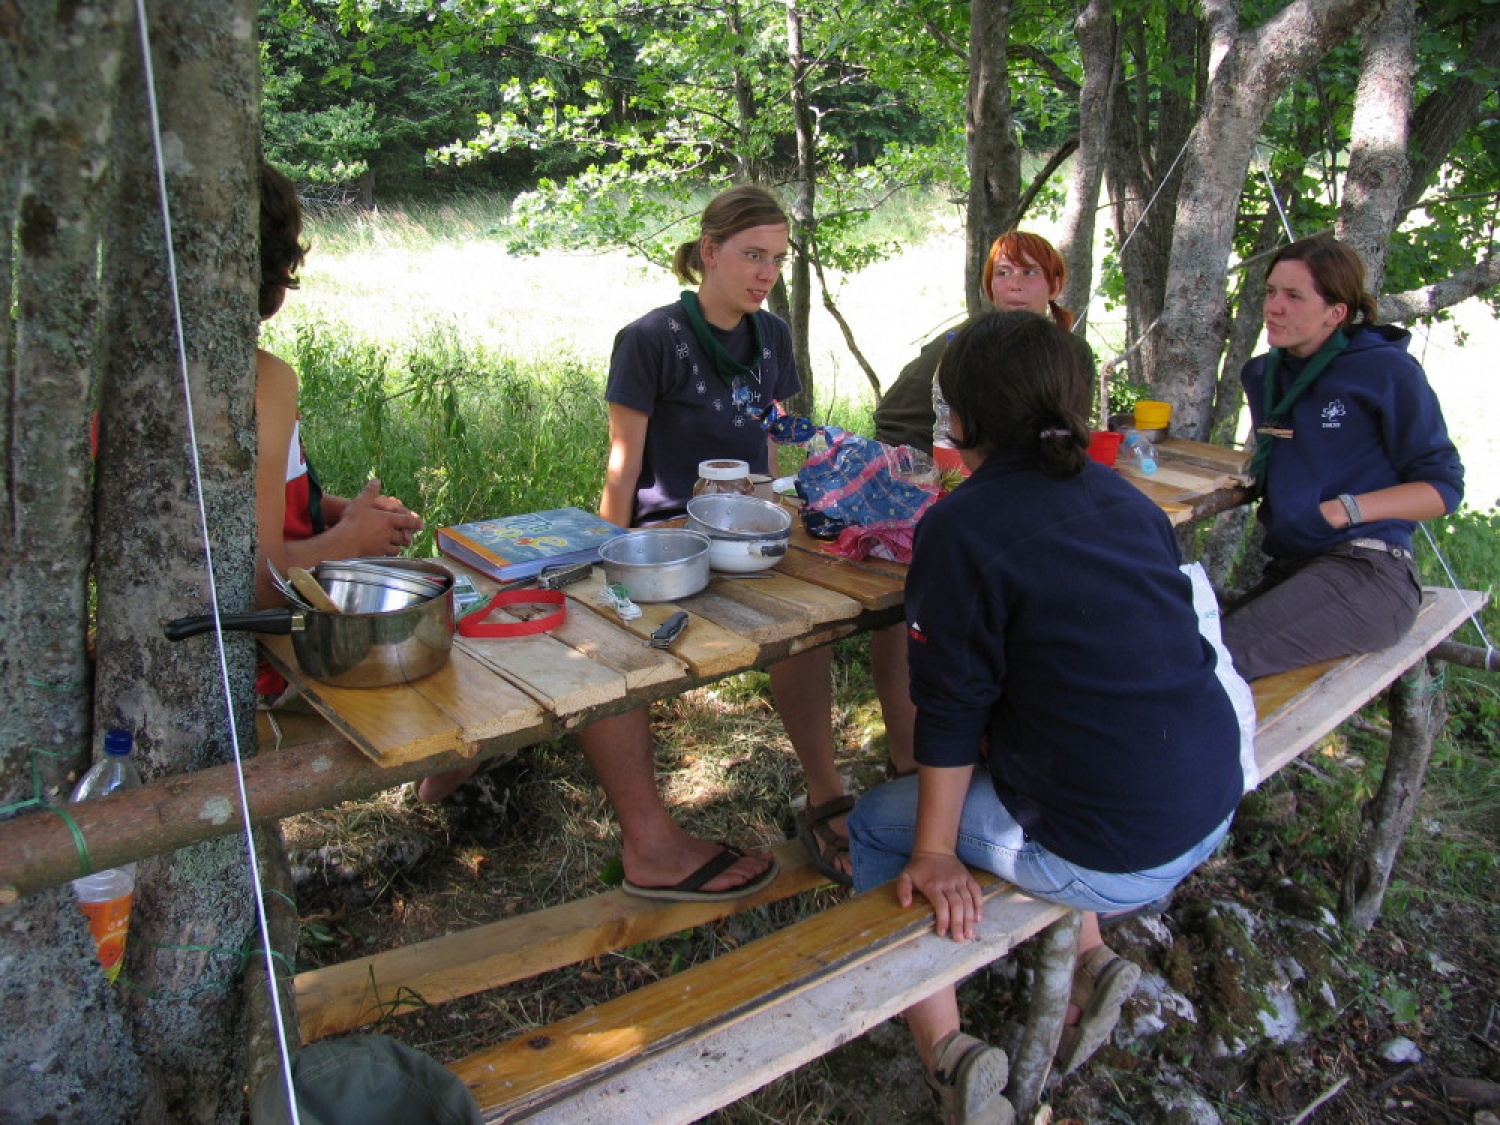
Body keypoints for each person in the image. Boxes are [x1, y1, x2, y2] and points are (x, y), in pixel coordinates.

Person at [848, 312, 1249, 1124]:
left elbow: (950, 711)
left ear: (958, 421)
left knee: (875, 825)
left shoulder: (961, 525)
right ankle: (1088, 968)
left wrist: (933, 852)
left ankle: (946, 1055)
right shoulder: (1122, 497)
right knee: (1078, 744)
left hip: (1118, 849)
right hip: (1213, 795)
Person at [423, 186, 853, 897]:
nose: (765, 273)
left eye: (776, 259)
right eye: (752, 255)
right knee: (604, 651)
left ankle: (825, 789)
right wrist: (610, 559)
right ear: (708, 250)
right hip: (663, 538)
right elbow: (622, 465)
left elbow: (767, 447)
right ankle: (474, 774)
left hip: (743, 531)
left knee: (811, 626)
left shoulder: (771, 336)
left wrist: (771, 516)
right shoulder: (651, 340)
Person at [871, 231, 1090, 777]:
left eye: (1029, 274)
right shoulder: (960, 346)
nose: (1014, 285)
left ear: (1055, 285)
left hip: (1037, 505)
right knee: (917, 619)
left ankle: (1014, 743)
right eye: (1003, 274)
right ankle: (912, 760)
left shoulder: (1070, 350)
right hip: (965, 501)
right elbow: (895, 420)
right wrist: (937, 470)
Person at [1221, 236, 1464, 681]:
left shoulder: (1384, 370)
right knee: (1185, 642)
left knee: (1213, 661)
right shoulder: (1262, 374)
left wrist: (1341, 510)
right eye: (1271, 292)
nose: (1274, 307)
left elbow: (1443, 489)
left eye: (1294, 296)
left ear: (1336, 313)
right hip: (1295, 568)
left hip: (1370, 572)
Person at [255, 163, 422, 663]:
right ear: (280, 262)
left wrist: (346, 515)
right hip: (270, 664)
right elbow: (262, 586)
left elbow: (271, 504)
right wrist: (348, 540)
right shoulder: (263, 383)